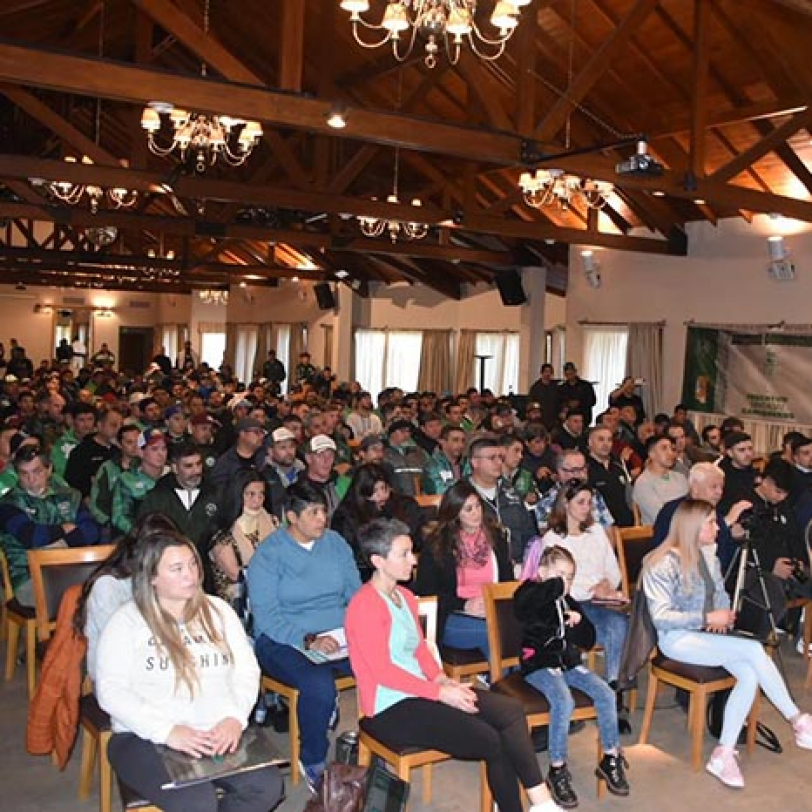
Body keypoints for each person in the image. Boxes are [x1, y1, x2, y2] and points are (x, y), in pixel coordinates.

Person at [346, 517, 561, 812]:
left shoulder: (405, 597)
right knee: (491, 740)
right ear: (377, 561)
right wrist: (439, 693)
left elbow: (421, 649)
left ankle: (542, 803)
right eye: (404, 554)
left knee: (509, 711)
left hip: (422, 692)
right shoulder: (364, 605)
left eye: (412, 551)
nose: (413, 560)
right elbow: (382, 671)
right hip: (389, 708)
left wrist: (442, 680)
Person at [95, 530, 283, 812]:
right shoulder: (126, 622)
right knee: (196, 802)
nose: (191, 575)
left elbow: (246, 670)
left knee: (266, 787)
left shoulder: (218, 610)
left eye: (193, 564)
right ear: (152, 578)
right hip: (145, 736)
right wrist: (168, 731)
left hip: (215, 730)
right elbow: (110, 692)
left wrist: (234, 717)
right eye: (177, 568)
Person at [642, 499, 812, 789]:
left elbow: (719, 592)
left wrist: (723, 617)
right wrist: (707, 616)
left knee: (748, 673)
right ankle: (797, 719)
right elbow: (661, 618)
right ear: (693, 528)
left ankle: (722, 753)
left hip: (708, 634)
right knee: (753, 650)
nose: (717, 527)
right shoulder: (660, 563)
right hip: (677, 639)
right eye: (710, 522)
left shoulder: (708, 554)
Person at [246, 482, 360, 792]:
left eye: (324, 510)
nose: (322, 518)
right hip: (282, 638)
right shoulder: (269, 555)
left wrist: (359, 628)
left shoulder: (335, 544)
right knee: (317, 682)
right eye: (313, 513)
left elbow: (355, 593)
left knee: (381, 661)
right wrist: (307, 639)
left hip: (337, 634)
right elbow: (267, 616)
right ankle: (312, 758)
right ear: (291, 517)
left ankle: (377, 744)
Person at [516, 545, 630, 808]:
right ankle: (557, 768)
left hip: (567, 664)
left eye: (569, 577)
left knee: (605, 693)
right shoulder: (530, 593)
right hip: (538, 665)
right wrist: (554, 587)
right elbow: (522, 609)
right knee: (563, 701)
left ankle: (610, 756)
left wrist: (578, 624)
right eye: (559, 575)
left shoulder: (569, 602)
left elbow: (588, 641)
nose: (564, 582)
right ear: (542, 572)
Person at [523, 482, 630, 734]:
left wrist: (606, 585)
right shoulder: (553, 538)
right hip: (573, 600)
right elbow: (558, 583)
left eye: (589, 502)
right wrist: (593, 589)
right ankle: (608, 692)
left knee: (620, 625)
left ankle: (615, 687)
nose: (587, 508)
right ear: (565, 504)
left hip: (599, 599)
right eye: (580, 502)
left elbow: (612, 569)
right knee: (612, 625)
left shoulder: (595, 532)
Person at [414, 480, 512, 661]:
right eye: (468, 509)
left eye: (477, 506)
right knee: (496, 633)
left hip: (492, 610)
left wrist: (497, 605)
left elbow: (507, 582)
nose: (476, 513)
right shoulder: (438, 545)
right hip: (452, 615)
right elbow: (428, 593)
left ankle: (511, 682)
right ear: (455, 514)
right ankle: (505, 684)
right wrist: (464, 605)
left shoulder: (496, 537)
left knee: (516, 627)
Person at [75, 513, 179, 682]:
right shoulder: (109, 587)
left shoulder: (166, 577)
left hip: (156, 662)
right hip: (116, 675)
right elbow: (115, 650)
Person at [331, 463, 424, 581]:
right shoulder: (346, 516)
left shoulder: (405, 506)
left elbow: (416, 539)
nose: (381, 495)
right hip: (365, 573)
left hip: (400, 567)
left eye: (384, 488)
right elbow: (350, 554)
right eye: (373, 491)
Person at [209, 471, 278, 615]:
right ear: (237, 494)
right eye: (250, 494)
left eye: (261, 494)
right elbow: (237, 575)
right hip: (237, 608)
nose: (257, 501)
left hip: (275, 598)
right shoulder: (222, 535)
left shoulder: (273, 523)